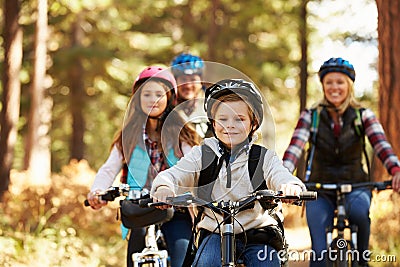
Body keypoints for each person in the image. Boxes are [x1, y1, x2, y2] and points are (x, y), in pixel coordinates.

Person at [151, 79, 306, 267]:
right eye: (223, 119)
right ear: (213, 124)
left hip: (257, 233)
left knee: (267, 263)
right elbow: (174, 174)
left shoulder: (263, 157)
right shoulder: (202, 154)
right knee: (206, 262)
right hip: (215, 232)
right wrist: (164, 187)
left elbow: (281, 175)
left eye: (239, 119)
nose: (230, 125)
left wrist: (290, 186)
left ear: (253, 124)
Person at [282, 57, 400, 267]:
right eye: (329, 82)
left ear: (349, 85)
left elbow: (382, 146)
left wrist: (396, 170)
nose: (334, 87)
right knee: (319, 253)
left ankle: (361, 260)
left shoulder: (363, 116)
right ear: (323, 85)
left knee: (359, 215)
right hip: (318, 187)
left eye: (340, 82)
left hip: (356, 184)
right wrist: (282, 178)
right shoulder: (311, 116)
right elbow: (294, 150)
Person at [87, 66, 200, 267]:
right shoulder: (128, 136)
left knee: (183, 254)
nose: (152, 99)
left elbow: (195, 165)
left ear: (170, 99)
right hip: (141, 209)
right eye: (146, 94)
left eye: (159, 94)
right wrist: (97, 191)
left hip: (177, 210)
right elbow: (109, 168)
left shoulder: (182, 133)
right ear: (137, 99)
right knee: (135, 255)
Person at [171, 53, 212, 138]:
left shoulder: (212, 108)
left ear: (201, 81)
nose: (188, 85)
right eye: (183, 80)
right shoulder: (166, 108)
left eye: (193, 80)